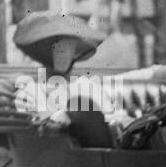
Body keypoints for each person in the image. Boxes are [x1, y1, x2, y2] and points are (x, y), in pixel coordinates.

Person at [11, 12, 119, 147]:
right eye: (58, 49)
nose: (64, 54)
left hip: (99, 158)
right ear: (46, 52)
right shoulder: (30, 91)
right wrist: (58, 120)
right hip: (54, 158)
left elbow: (109, 123)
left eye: (69, 48)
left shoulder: (88, 86)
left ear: (75, 52)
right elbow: (33, 131)